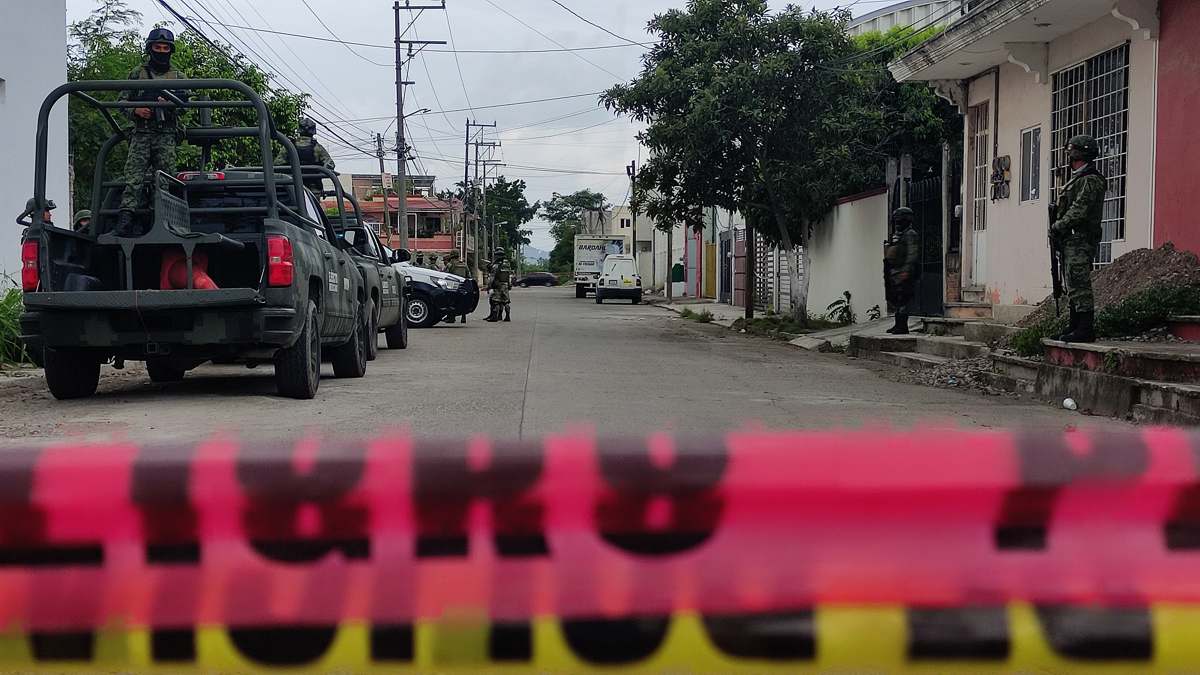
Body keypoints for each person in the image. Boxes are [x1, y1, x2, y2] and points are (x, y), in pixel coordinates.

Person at [116, 28, 188, 237]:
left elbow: (186, 104)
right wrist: (136, 110)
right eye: (158, 47)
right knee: (133, 178)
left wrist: (170, 104)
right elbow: (121, 101)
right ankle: (126, 218)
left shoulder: (179, 77)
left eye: (166, 48)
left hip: (165, 134)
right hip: (142, 132)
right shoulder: (138, 73)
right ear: (150, 48)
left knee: (165, 179)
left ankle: (162, 220)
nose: (162, 51)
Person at [1051, 134, 1106, 343]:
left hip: (1080, 240)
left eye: (1072, 155)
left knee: (1079, 282)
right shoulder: (1078, 180)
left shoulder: (1091, 180)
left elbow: (1079, 210)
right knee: (1072, 284)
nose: (1070, 159)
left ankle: (1084, 328)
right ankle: (1074, 325)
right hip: (1070, 240)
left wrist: (1058, 225)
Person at [883, 207, 920, 335]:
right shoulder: (898, 234)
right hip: (895, 270)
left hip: (905, 272)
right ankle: (897, 324)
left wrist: (906, 270)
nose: (897, 222)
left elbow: (912, 254)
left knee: (903, 299)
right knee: (896, 299)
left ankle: (902, 326)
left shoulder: (910, 234)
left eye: (900, 219)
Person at [276, 117, 335, 193]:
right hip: (313, 189)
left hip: (292, 187)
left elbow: (277, 165)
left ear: (299, 130)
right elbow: (330, 164)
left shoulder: (289, 147)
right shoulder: (318, 148)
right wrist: (319, 174)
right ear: (313, 131)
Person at [485, 247, 512, 323]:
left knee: (495, 301)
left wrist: (489, 286)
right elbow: (509, 275)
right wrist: (509, 285)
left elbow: (492, 277)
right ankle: (507, 316)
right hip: (505, 285)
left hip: (497, 285)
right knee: (506, 301)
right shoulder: (507, 264)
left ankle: (495, 317)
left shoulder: (495, 266)